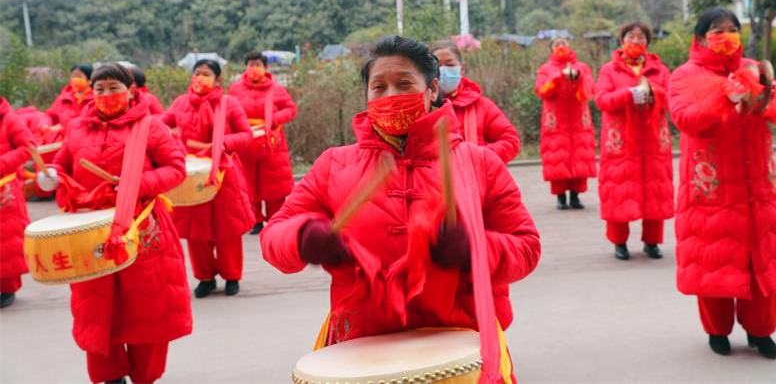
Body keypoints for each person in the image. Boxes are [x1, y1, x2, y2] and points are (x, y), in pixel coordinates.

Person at [261, 36, 540, 380]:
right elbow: (273, 237)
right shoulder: (334, 165)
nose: (390, 95)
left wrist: (475, 250)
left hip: (462, 338)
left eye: (404, 83)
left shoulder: (479, 162)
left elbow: (527, 247)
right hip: (364, 344)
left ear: (432, 89)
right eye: (379, 86)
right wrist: (302, 237)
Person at [36, 63, 191, 383]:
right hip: (88, 231)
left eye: (113, 88)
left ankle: (145, 376)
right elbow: (63, 164)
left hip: (141, 227)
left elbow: (176, 168)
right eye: (100, 89)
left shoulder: (151, 126)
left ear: (131, 91)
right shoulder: (78, 128)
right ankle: (110, 375)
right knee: (96, 307)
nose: (106, 95)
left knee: (147, 306)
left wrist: (137, 183)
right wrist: (50, 176)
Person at [668, 7, 776, 359]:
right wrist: (723, 97)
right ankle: (717, 330)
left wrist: (764, 92)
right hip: (712, 187)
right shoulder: (684, 75)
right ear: (700, 38)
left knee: (762, 263)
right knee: (714, 261)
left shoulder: (753, 68)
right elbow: (684, 118)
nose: (726, 36)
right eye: (717, 30)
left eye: (732, 29)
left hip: (758, 186)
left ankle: (761, 331)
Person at [161, 59, 255, 298]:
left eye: (206, 74)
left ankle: (232, 276)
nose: (200, 78)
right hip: (191, 175)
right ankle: (205, 277)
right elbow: (160, 127)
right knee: (196, 231)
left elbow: (246, 135)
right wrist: (170, 138)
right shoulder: (181, 103)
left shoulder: (229, 103)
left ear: (217, 79)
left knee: (227, 229)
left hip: (223, 172)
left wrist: (224, 143)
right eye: (197, 73)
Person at [595, 22, 674, 260]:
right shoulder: (609, 70)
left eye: (641, 37)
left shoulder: (660, 70)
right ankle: (619, 242)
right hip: (621, 143)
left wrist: (653, 93)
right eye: (631, 37)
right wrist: (629, 94)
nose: (636, 42)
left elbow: (672, 99)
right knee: (619, 192)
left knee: (655, 191)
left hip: (653, 141)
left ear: (648, 42)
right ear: (622, 40)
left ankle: (652, 242)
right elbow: (602, 100)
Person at [228, 51, 297, 235]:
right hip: (247, 140)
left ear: (265, 67)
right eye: (251, 64)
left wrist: (273, 119)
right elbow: (230, 111)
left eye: (258, 64)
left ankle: (276, 220)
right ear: (245, 67)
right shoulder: (235, 89)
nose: (254, 68)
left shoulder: (277, 89)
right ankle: (255, 220)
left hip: (271, 140)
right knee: (249, 182)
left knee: (274, 183)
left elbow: (290, 109)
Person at [430, 42, 521, 163]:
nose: (444, 71)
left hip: (477, 173)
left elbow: (510, 141)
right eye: (438, 67)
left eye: (450, 64)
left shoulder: (482, 106)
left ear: (462, 68)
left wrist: (480, 157)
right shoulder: (422, 107)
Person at [535, 38, 597, 209]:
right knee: (557, 159)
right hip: (556, 121)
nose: (561, 46)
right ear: (551, 49)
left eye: (564, 43)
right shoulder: (545, 69)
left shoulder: (582, 67)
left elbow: (589, 90)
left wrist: (578, 79)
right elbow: (542, 91)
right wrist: (557, 78)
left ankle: (575, 196)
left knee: (580, 157)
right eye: (557, 44)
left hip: (579, 121)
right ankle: (561, 197)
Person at [0, 97, 36, 308]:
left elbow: (28, 147)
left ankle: (7, 288)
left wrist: (2, 163)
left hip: (5, 186)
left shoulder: (10, 119)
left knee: (6, 240)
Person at [47, 64, 94, 129]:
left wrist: (63, 128)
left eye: (79, 77)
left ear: (90, 81)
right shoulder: (63, 98)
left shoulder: (96, 99)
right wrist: (47, 126)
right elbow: (50, 116)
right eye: (73, 77)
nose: (75, 80)